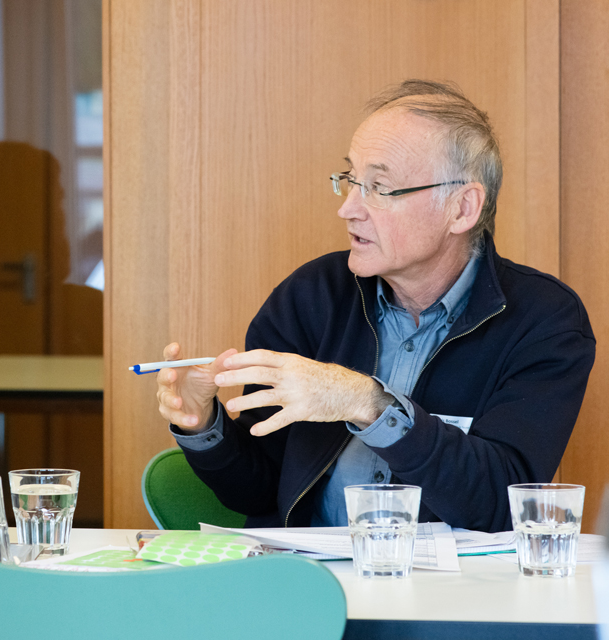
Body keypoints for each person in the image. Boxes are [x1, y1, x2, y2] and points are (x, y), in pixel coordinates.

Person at [157, 80, 596, 533]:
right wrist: (203, 427)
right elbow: (261, 491)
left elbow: (500, 502)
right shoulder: (312, 295)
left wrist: (366, 402)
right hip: (310, 586)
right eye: (350, 181)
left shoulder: (546, 321)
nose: (348, 209)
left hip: (453, 597)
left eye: (379, 187)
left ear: (462, 208)